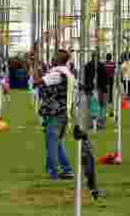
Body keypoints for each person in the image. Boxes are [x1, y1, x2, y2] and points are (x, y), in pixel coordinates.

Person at [30, 49, 74, 180]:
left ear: (59, 59)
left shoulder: (57, 73)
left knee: (52, 144)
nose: (52, 58)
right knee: (58, 143)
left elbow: (38, 83)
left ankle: (53, 172)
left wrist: (34, 67)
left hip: (55, 113)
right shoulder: (67, 73)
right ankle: (67, 169)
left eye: (54, 56)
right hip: (63, 112)